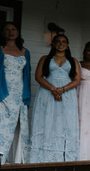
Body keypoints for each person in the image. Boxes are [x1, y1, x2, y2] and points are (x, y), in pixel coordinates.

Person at [29, 33, 80, 162]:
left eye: (64, 41)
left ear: (67, 45)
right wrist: (52, 89)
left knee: (65, 122)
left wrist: (62, 89)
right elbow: (38, 77)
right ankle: (44, 157)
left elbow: (77, 79)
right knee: (47, 120)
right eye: (58, 41)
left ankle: (64, 156)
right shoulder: (45, 58)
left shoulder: (73, 60)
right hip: (47, 94)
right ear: (53, 44)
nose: (61, 44)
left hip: (67, 95)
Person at [0, 21, 31, 163]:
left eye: (13, 29)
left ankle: (14, 160)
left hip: (19, 94)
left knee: (17, 127)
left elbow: (27, 75)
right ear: (2, 33)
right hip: (1, 93)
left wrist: (25, 96)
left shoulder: (25, 52)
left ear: (18, 32)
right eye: (7, 29)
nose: (10, 32)